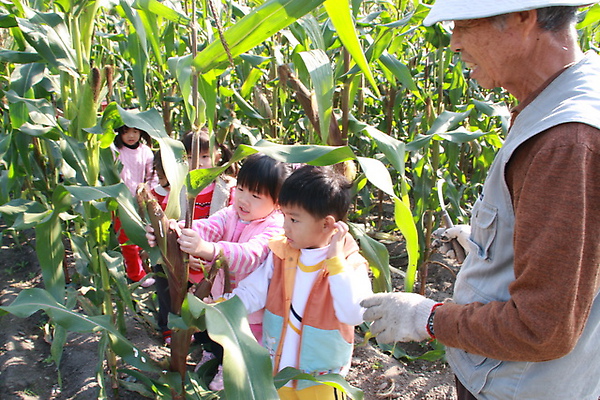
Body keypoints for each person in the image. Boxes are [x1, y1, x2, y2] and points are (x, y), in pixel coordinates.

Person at [360, 2, 600, 399]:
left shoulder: (566, 143)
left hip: (518, 387)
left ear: (525, 19)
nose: (454, 43)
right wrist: (493, 245)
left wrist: (428, 318)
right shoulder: (570, 97)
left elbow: (543, 329)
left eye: (464, 26)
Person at [227, 165, 373, 400]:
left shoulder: (350, 265)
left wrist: (335, 262)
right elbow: (253, 291)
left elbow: (353, 314)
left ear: (327, 224)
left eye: (294, 219)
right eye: (284, 216)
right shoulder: (282, 253)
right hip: (278, 370)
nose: (285, 226)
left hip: (322, 379)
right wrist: (224, 309)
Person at [146, 153, 290, 390]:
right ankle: (212, 354)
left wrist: (208, 249)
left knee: (239, 341)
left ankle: (231, 368)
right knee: (210, 330)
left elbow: (249, 256)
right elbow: (208, 227)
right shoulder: (232, 213)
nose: (244, 199)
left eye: (255, 195)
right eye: (241, 189)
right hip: (217, 296)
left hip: (249, 309)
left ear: (277, 203)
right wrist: (173, 230)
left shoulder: (274, 227)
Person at [151, 132, 236, 345]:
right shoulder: (177, 188)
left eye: (205, 157)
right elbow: (167, 221)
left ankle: (205, 334)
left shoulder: (229, 189)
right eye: (190, 158)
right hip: (182, 254)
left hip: (212, 257)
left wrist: (205, 254)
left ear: (218, 156)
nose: (197, 163)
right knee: (161, 270)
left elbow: (232, 230)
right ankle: (170, 326)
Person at [112, 124, 156, 286]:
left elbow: (152, 176)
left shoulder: (146, 152)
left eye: (135, 131)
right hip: (121, 203)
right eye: (126, 132)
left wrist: (148, 193)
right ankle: (136, 274)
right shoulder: (115, 151)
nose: (131, 135)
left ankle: (142, 268)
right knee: (127, 242)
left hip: (141, 203)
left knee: (143, 239)